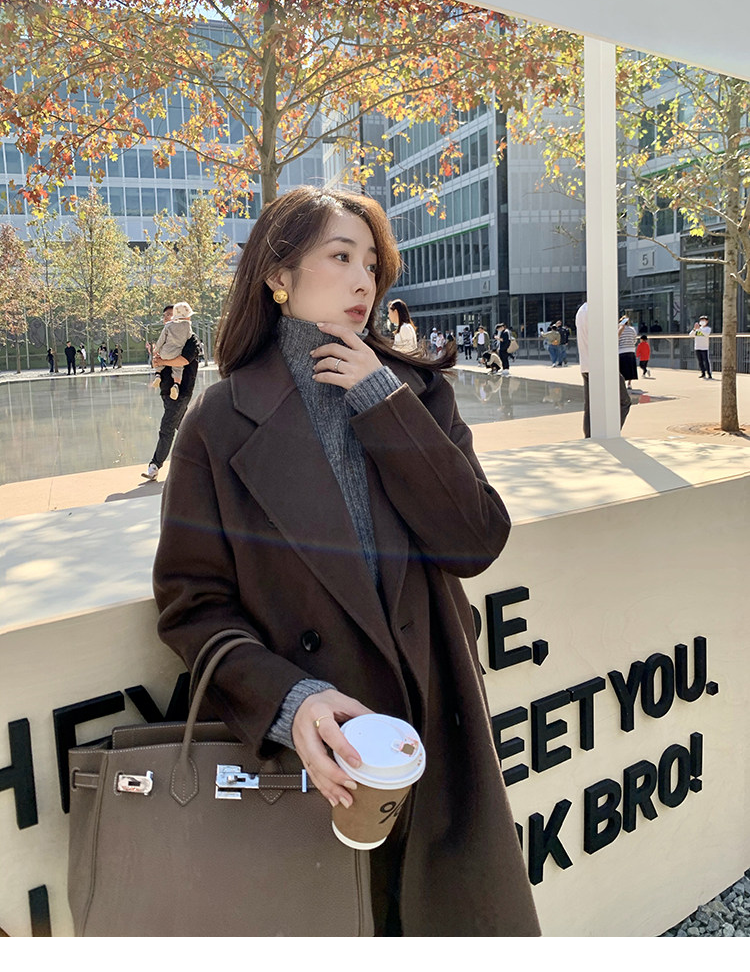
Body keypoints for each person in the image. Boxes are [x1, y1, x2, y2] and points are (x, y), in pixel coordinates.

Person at [152, 187, 540, 937]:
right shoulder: (218, 422)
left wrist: (381, 398)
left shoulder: (417, 391)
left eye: (372, 264)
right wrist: (290, 702)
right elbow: (191, 602)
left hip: (432, 729)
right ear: (278, 275)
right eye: (341, 256)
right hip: (316, 759)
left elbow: (475, 540)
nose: (365, 280)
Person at [142, 305, 201, 482]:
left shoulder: (191, 339)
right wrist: (156, 361)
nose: (167, 318)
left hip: (181, 391)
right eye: (165, 316)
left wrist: (162, 361)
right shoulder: (166, 339)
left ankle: (155, 465)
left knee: (167, 427)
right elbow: (156, 361)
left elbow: (183, 360)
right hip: (166, 390)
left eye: (170, 315)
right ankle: (206, 459)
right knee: (184, 427)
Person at [575, 301, 631, 438]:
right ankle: (609, 432)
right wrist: (620, 328)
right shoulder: (598, 311)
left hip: (586, 365)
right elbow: (608, 340)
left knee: (590, 407)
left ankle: (589, 437)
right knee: (624, 401)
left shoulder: (581, 310)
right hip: (602, 365)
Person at [151, 300, 194, 400]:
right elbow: (189, 337)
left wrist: (156, 350)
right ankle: (176, 385)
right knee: (178, 368)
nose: (165, 318)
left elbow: (161, 340)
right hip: (177, 353)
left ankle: (157, 375)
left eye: (169, 315)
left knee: (158, 359)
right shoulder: (188, 326)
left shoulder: (168, 326)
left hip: (165, 352)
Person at [618, 315, 638, 390]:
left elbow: (617, 340)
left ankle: (622, 383)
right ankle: (629, 384)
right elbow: (635, 339)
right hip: (631, 350)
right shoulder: (632, 329)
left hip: (621, 351)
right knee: (631, 369)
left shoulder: (619, 330)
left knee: (622, 369)